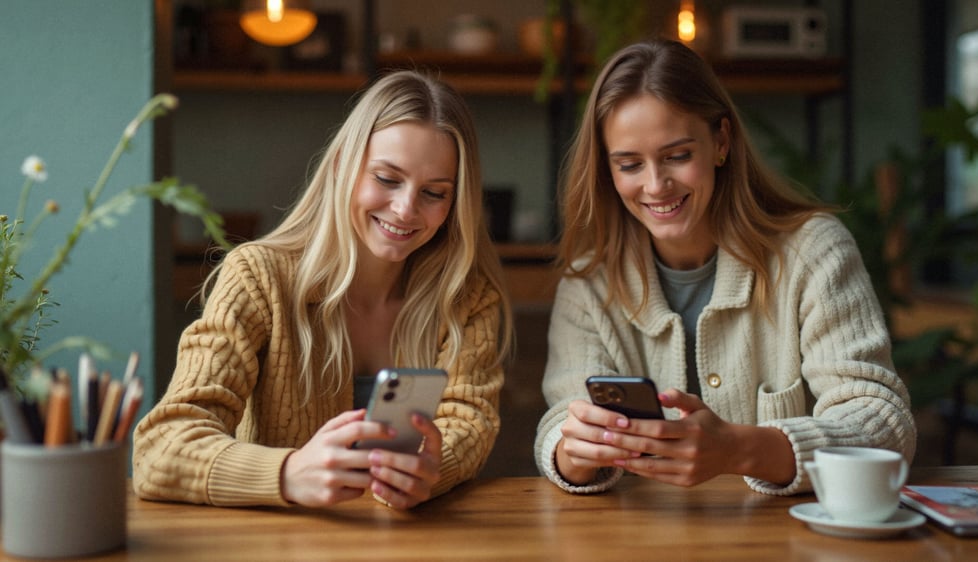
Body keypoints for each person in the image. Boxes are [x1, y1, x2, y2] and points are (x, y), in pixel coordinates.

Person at [534, 40, 916, 495]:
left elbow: (884, 424)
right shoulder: (588, 281)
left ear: (721, 141)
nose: (655, 185)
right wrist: (573, 450)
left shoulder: (815, 251)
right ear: (608, 171)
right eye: (630, 164)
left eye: (677, 156)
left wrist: (739, 449)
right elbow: (562, 420)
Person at [133, 70, 513, 510]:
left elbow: (469, 422)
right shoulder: (258, 277)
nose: (406, 208)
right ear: (341, 167)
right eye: (387, 179)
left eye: (434, 192)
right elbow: (159, 450)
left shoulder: (466, 296)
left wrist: (433, 467)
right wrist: (288, 473)